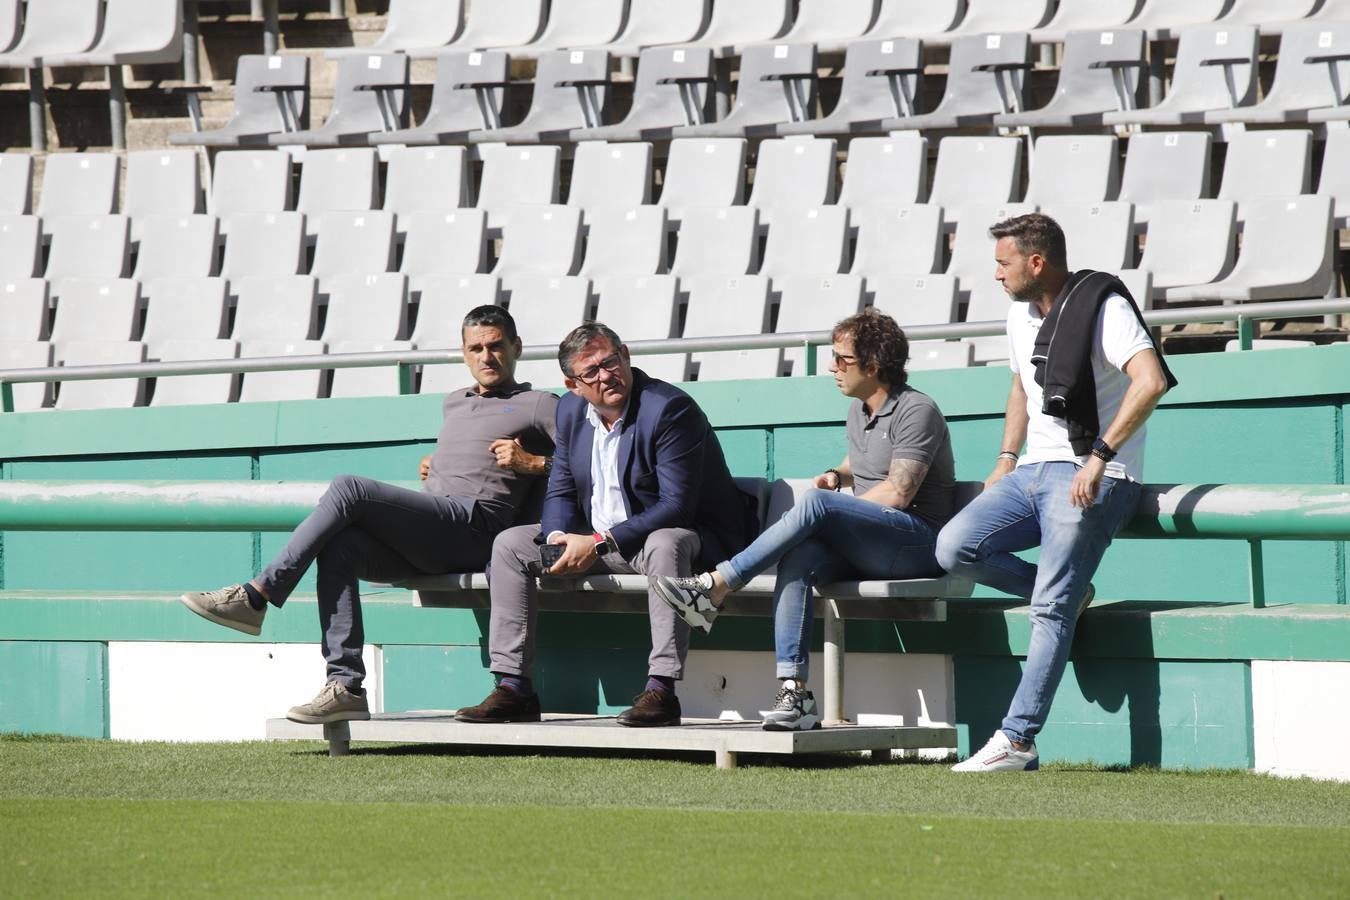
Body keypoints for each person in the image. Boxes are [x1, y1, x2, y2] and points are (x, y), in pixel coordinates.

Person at [180, 306, 558, 726]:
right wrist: (442, 466)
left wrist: (535, 463)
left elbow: (586, 463)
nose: (487, 356)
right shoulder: (454, 403)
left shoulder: (539, 404)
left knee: (349, 487)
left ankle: (256, 596)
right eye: (476, 348)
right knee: (339, 546)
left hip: (476, 529)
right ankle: (345, 686)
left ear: (516, 347)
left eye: (496, 346)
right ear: (464, 354)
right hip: (434, 534)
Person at [937, 213, 1175, 772]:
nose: (996, 274)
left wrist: (1100, 456)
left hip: (1096, 475)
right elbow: (1022, 384)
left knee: (1047, 609)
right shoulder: (1019, 314)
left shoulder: (1105, 308)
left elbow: (1152, 381)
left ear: (1036, 262)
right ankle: (1069, 594)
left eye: (1004, 263)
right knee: (954, 548)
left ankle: (1018, 740)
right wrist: (1004, 459)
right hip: (1031, 472)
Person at [652, 311, 956, 731]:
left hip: (916, 544)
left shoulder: (916, 409)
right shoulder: (859, 410)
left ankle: (716, 585)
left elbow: (899, 493)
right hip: (872, 542)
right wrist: (838, 474)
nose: (832, 367)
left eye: (842, 359)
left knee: (817, 505)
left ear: (873, 365)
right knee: (800, 558)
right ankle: (794, 694)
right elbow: (866, 461)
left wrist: (834, 507)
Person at [455, 322, 752, 728]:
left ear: (626, 356)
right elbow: (559, 486)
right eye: (590, 372)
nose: (605, 376)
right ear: (573, 384)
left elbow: (676, 507)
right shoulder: (570, 410)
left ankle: (662, 690)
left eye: (610, 362)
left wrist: (597, 543)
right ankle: (512, 687)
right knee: (510, 544)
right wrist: (559, 538)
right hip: (596, 541)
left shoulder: (669, 409)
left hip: (668, 543)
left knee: (668, 542)